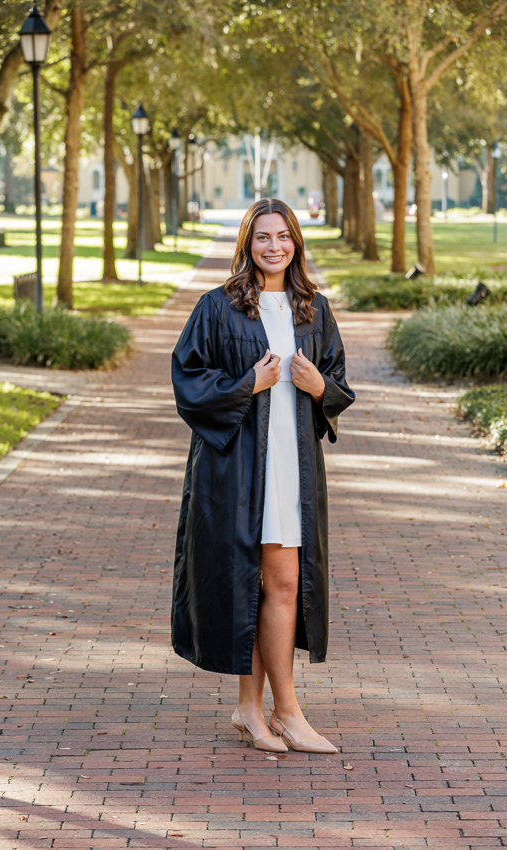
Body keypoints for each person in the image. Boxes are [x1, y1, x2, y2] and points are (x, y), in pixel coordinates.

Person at [171, 198, 355, 754]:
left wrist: (319, 388)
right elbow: (188, 381)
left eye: (282, 237)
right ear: (247, 244)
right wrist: (244, 385)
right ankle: (277, 712)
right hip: (235, 466)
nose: (273, 247)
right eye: (262, 238)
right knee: (255, 579)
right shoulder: (218, 307)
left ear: (296, 242)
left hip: (291, 467)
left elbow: (339, 382)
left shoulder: (314, 310)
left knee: (280, 582)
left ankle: (262, 708)